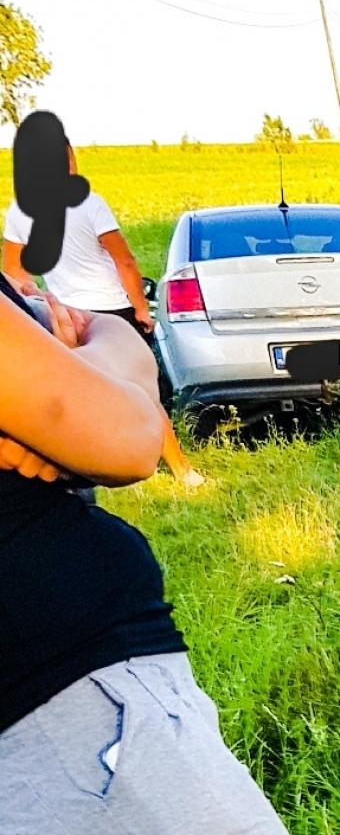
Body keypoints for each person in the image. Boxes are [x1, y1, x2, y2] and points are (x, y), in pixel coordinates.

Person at [0, 253, 288, 833]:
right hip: (66, 712)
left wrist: (87, 384)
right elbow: (127, 438)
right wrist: (97, 382)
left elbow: (106, 365)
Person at [3, 128, 200, 484]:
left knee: (81, 397)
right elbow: (124, 260)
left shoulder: (19, 211)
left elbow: (14, 271)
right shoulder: (89, 203)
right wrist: (141, 308)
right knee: (142, 392)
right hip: (109, 309)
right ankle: (181, 469)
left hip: (67, 316)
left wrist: (40, 303)